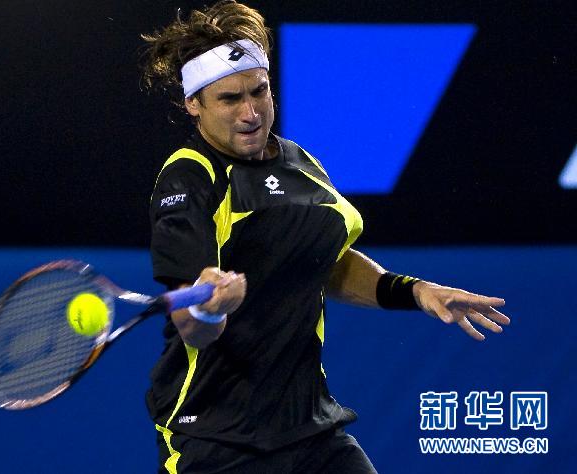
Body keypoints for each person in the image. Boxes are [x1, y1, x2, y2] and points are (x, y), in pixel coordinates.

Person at [140, 2, 510, 472]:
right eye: (230, 99)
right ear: (194, 104)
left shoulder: (301, 164)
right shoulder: (190, 177)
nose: (251, 112)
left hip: (309, 429)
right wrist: (210, 307)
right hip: (216, 437)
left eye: (259, 91)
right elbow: (190, 322)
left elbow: (326, 263)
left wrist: (414, 291)